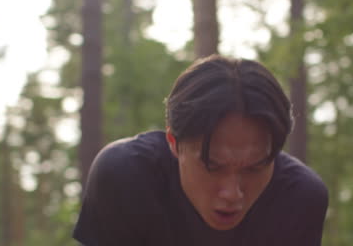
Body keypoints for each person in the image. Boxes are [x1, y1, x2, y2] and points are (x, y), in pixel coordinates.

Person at [73, 55, 328, 246]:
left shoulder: (300, 199)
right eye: (212, 166)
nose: (232, 193)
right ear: (173, 142)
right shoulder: (125, 178)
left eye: (255, 167)